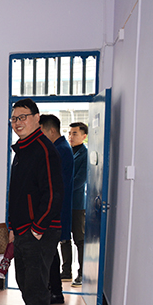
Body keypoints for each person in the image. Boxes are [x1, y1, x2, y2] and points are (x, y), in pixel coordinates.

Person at [6, 98, 64, 305]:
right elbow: (19, 194)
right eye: (14, 118)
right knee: (28, 286)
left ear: (37, 118)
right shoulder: (23, 149)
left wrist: (37, 229)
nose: (17, 122)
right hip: (23, 231)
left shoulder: (43, 149)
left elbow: (53, 194)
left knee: (36, 289)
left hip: (39, 232)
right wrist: (12, 227)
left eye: (23, 117)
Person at [40, 114, 74, 305]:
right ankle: (53, 289)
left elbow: (53, 184)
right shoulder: (61, 148)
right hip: (57, 209)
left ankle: (55, 291)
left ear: (51, 130)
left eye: (41, 132)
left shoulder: (59, 150)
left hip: (55, 211)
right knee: (51, 251)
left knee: (50, 251)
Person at [61, 122, 88, 287]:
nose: (70, 136)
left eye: (75, 133)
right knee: (64, 238)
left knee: (79, 239)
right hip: (63, 204)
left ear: (84, 136)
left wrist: (61, 188)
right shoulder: (66, 151)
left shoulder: (85, 154)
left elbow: (80, 180)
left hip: (77, 204)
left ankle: (82, 273)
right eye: (70, 133)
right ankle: (66, 271)